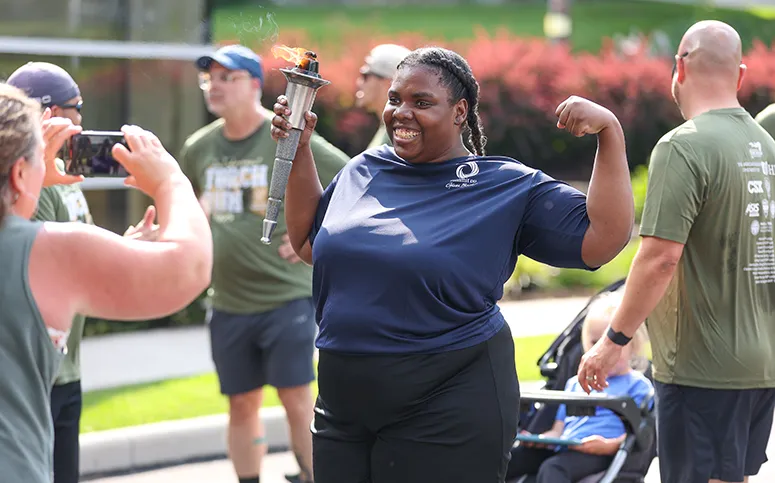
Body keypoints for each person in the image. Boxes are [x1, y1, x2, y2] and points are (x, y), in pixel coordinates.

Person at [270, 46, 634, 482]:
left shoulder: (502, 185)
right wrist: (300, 148)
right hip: (344, 405)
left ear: (460, 112)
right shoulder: (363, 169)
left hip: (448, 402)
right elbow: (309, 242)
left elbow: (604, 238)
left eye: (421, 102)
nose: (402, 112)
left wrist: (609, 133)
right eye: (395, 99)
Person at [577, 20, 775, 483]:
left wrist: (613, 341)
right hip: (762, 363)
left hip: (701, 367)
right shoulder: (767, 147)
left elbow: (659, 258)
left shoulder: (683, 146)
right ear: (740, 75)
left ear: (679, 68)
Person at [0, 82, 211, 483]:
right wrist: (170, 182)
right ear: (19, 172)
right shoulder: (43, 250)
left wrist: (30, 180)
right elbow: (191, 268)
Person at [179, 44, 350, 483]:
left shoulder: (284, 133)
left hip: (285, 299)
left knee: (296, 399)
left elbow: (353, 182)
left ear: (255, 84)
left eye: (227, 77)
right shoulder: (199, 147)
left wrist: (313, 232)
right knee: (241, 404)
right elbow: (192, 207)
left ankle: (312, 477)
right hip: (228, 302)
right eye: (209, 78)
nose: (214, 86)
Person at [506, 291, 653, 483]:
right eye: (594, 342)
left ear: (633, 345)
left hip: (604, 454)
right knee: (511, 459)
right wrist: (540, 439)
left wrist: (609, 445)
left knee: (553, 469)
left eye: (608, 343)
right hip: (568, 447)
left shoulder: (638, 386)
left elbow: (641, 435)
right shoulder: (575, 383)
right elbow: (559, 430)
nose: (601, 350)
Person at [355, 43, 411, 149]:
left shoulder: (397, 134)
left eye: (365, 76)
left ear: (389, 83)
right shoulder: (391, 128)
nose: (359, 82)